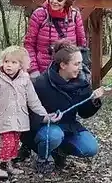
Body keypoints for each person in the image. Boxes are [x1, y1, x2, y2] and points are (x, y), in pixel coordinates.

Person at [25, 38, 104, 175]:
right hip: (44, 129)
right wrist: (44, 119)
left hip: (68, 127)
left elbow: (84, 113)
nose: (80, 67)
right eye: (76, 64)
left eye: (81, 63)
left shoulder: (82, 83)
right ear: (63, 65)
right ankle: (43, 157)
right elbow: (27, 115)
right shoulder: (40, 83)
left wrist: (94, 101)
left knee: (90, 148)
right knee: (54, 135)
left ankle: (58, 152)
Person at [0, 46, 59, 180]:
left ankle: (9, 164)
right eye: (6, 62)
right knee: (8, 142)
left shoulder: (25, 81)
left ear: (21, 65)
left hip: (20, 119)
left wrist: (45, 115)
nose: (9, 65)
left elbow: (33, 101)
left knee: (15, 143)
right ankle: (1, 166)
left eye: (13, 62)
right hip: (3, 119)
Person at [23, 0, 88, 80]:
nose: (54, 1)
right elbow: (29, 45)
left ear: (67, 1)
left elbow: (81, 45)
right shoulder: (39, 15)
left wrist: (79, 68)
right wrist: (33, 71)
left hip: (68, 73)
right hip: (44, 73)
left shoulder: (75, 15)